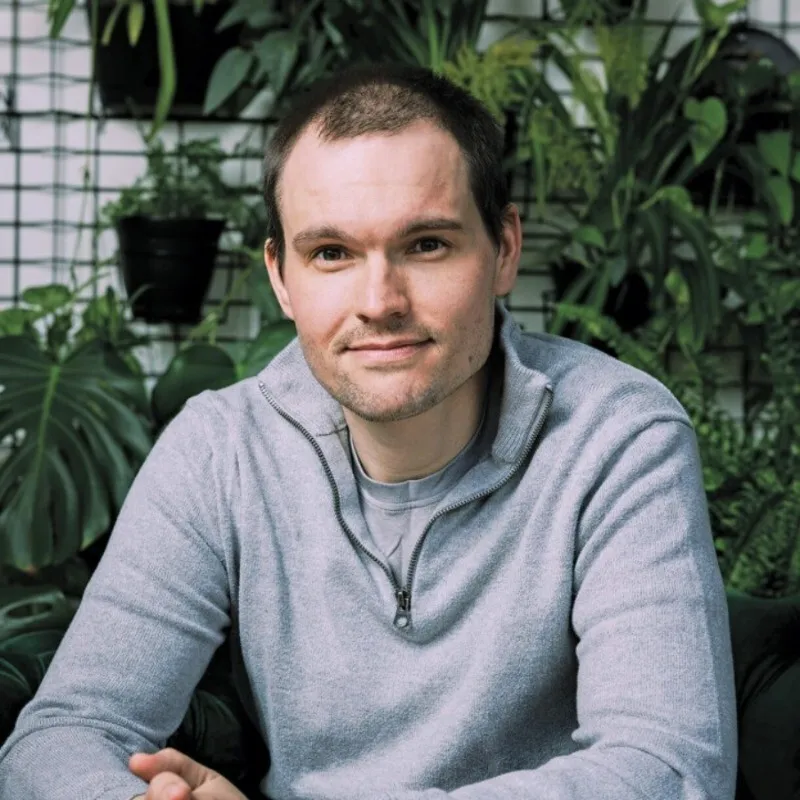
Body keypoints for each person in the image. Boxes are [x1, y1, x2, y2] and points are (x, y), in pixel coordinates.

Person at [0, 62, 737, 800]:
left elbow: (668, 767)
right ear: (282, 278)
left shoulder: (619, 437)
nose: (379, 300)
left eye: (426, 245)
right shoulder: (222, 450)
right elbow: (64, 734)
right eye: (331, 254)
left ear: (505, 249)